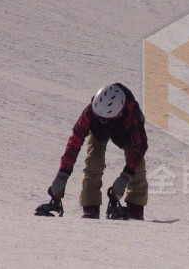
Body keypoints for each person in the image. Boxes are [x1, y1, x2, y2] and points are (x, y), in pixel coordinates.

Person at [48, 83, 148, 219]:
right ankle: (90, 208)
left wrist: (125, 178)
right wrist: (62, 174)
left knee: (138, 168)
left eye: (106, 120)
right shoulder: (90, 112)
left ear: (119, 113)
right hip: (98, 133)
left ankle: (135, 208)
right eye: (99, 118)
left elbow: (140, 146)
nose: (102, 121)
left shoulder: (132, 115)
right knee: (93, 161)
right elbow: (75, 140)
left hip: (125, 133)